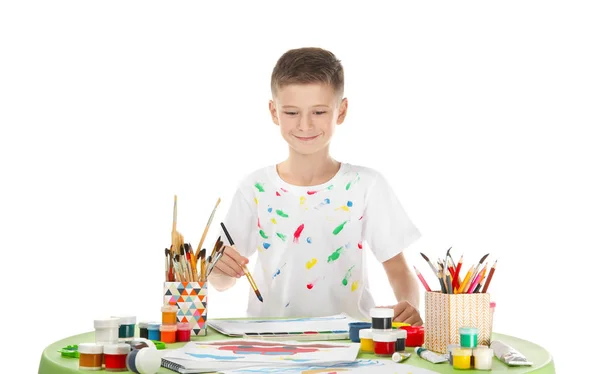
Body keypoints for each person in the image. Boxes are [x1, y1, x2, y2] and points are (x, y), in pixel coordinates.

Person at [208, 47, 423, 325]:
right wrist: (217, 269)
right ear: (274, 112)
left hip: (351, 341)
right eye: (291, 112)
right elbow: (223, 283)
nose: (305, 125)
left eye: (319, 111)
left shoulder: (366, 185)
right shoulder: (255, 187)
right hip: (268, 344)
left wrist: (409, 305)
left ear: (341, 111)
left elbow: (398, 269)